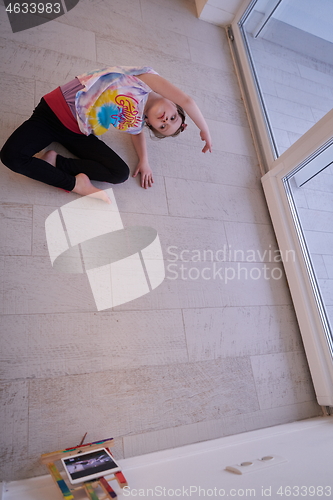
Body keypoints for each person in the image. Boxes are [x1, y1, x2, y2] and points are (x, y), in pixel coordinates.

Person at [0, 66, 212, 203]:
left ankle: (59, 165)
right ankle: (76, 185)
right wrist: (204, 130)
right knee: (10, 156)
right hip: (52, 113)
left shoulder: (137, 121)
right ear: (172, 102)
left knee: (119, 173)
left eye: (163, 127)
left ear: (150, 123)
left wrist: (145, 161)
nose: (166, 121)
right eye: (173, 118)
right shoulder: (145, 78)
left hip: (78, 132)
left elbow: (137, 133)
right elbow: (188, 102)